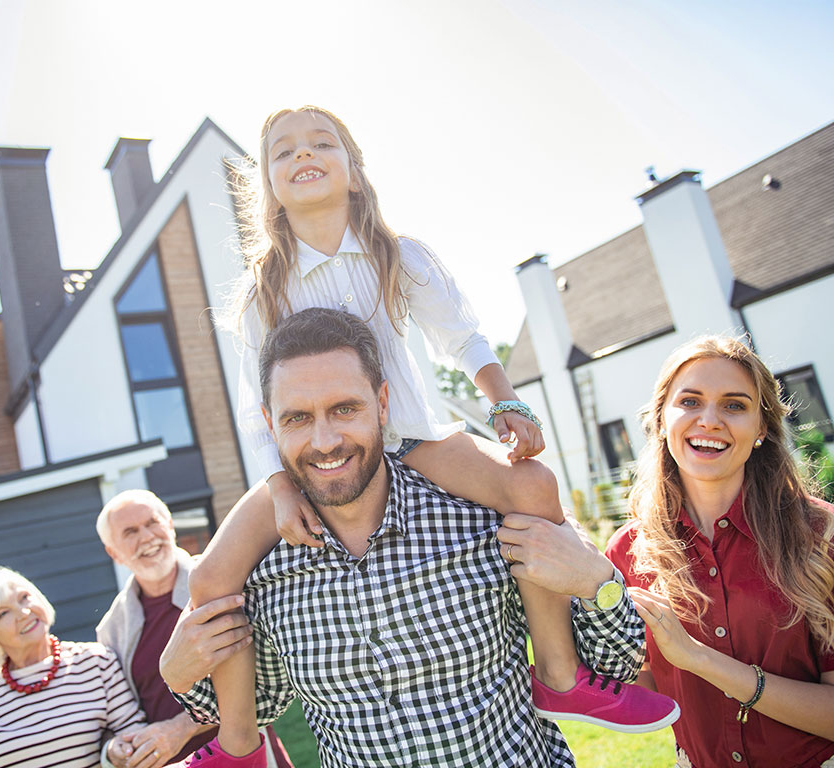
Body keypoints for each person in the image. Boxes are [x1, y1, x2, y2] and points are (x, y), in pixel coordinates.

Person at [183, 105, 673, 766]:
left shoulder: (398, 254)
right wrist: (277, 487)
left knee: (533, 483)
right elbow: (257, 407)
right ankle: (240, 745)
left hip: (413, 438)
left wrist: (505, 404)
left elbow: (462, 336)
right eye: (282, 151)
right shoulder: (260, 290)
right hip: (308, 464)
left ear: (354, 173)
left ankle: (560, 674)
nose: (303, 155)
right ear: (266, 186)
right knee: (211, 576)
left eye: (322, 143)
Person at [164, 307, 677, 768]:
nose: (324, 441)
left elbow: (615, 663)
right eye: (298, 418)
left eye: (345, 409)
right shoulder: (265, 571)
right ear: (269, 425)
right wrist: (177, 671)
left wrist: (598, 580)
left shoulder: (486, 516)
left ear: (383, 403)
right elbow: (260, 704)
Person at [605, 335, 834, 768]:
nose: (708, 420)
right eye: (690, 401)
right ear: (661, 418)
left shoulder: (821, 534)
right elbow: (644, 696)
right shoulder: (627, 553)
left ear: (762, 428)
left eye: (734, 405)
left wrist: (699, 659)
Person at [94, 489, 293, 768]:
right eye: (130, 532)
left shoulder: (224, 580)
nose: (147, 537)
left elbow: (262, 683)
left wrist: (181, 728)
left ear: (170, 524)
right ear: (113, 553)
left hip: (246, 755)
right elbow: (116, 714)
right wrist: (112, 750)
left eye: (152, 522)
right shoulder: (111, 629)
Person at [0, 565, 146, 767]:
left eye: (24, 598)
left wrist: (115, 751)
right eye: (3, 613)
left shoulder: (96, 662)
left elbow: (135, 737)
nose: (24, 613)